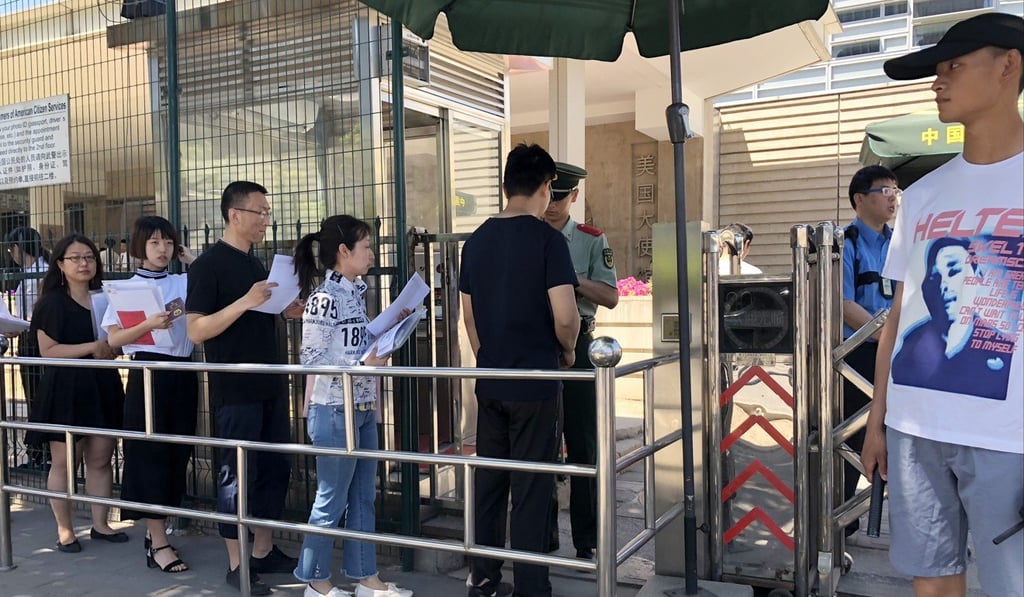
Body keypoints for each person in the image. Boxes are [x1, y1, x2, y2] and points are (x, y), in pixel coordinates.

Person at [861, 13, 1024, 597]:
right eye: (936, 70)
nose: (937, 81)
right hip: (914, 426)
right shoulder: (924, 194)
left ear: (1009, 66)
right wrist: (877, 421)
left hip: (1009, 435)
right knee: (930, 580)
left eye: (953, 66)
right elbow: (898, 319)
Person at [459, 143, 579, 597]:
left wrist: (488, 355)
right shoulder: (549, 241)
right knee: (531, 488)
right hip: (536, 383)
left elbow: (468, 316)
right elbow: (566, 316)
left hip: (490, 381)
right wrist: (565, 352)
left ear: (505, 185)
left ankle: (483, 581)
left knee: (490, 483)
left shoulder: (477, 241)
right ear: (548, 187)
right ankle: (532, 586)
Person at [186, 180, 305, 595]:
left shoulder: (257, 265)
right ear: (234, 215)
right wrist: (244, 302)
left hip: (270, 381)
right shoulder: (208, 266)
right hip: (235, 388)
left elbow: (257, 314)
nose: (265, 222)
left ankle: (263, 551)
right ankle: (237, 565)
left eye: (268, 213)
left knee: (274, 469)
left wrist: (282, 310)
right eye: (260, 213)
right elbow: (197, 329)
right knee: (236, 475)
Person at [291, 215, 413, 597]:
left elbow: (356, 340)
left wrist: (395, 320)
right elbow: (310, 358)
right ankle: (315, 580)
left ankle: (366, 577)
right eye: (366, 247)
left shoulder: (353, 292)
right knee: (331, 497)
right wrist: (361, 365)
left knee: (362, 495)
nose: (372, 254)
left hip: (360, 405)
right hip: (334, 408)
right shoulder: (324, 298)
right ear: (343, 252)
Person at [102, 216, 197, 573]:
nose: (163, 249)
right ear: (139, 246)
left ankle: (159, 531)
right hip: (146, 373)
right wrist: (148, 325)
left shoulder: (184, 280)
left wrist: (192, 260)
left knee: (178, 450)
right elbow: (113, 340)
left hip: (184, 373)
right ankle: (158, 541)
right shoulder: (125, 288)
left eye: (168, 243)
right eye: (155, 242)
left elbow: (219, 281)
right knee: (149, 452)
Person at [24, 233, 126, 553]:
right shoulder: (52, 302)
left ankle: (101, 524)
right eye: (76, 258)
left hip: (103, 384)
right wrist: (93, 348)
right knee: (65, 462)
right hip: (66, 388)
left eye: (90, 257)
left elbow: (116, 340)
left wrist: (112, 348)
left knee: (101, 458)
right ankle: (65, 530)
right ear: (60, 264)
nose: (84, 263)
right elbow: (48, 351)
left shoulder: (105, 298)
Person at [542, 162, 618, 560]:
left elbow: (610, 295)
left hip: (580, 344)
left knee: (584, 442)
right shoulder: (528, 235)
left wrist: (571, 280)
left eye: (560, 196)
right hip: (538, 344)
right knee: (541, 445)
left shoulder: (589, 240)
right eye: (548, 194)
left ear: (573, 197)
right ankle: (545, 534)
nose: (552, 204)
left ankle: (586, 537)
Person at [839, 165, 898, 537]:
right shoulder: (845, 242)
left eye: (896, 190)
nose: (893, 196)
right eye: (884, 190)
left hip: (898, 355)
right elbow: (843, 302)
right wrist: (885, 332)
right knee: (852, 438)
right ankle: (843, 518)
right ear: (860, 199)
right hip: (858, 354)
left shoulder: (901, 242)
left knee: (900, 437)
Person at [4, 226, 50, 468]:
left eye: (11, 249)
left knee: (37, 397)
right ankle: (38, 452)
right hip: (29, 336)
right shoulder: (32, 271)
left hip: (34, 339)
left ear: (18, 249)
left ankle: (40, 453)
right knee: (35, 396)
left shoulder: (38, 273)